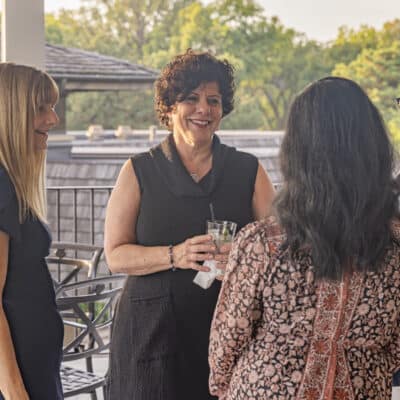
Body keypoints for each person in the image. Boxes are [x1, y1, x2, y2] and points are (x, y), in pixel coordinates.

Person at [209, 77, 400, 399]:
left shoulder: (262, 242)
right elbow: (395, 344)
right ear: (374, 148)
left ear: (298, 151)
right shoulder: (394, 245)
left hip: (265, 389)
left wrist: (225, 385)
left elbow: (228, 341)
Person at [104, 49, 275, 399]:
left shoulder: (249, 170)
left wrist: (244, 260)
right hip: (149, 339)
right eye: (191, 99)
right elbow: (115, 255)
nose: (203, 109)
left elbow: (281, 249)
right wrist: (175, 255)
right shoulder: (138, 170)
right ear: (169, 108)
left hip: (229, 335)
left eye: (213, 100)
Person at [0, 63, 63, 399]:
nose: (53, 119)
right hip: (19, 377)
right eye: (42, 109)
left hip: (34, 365)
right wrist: (15, 392)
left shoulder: (9, 182)